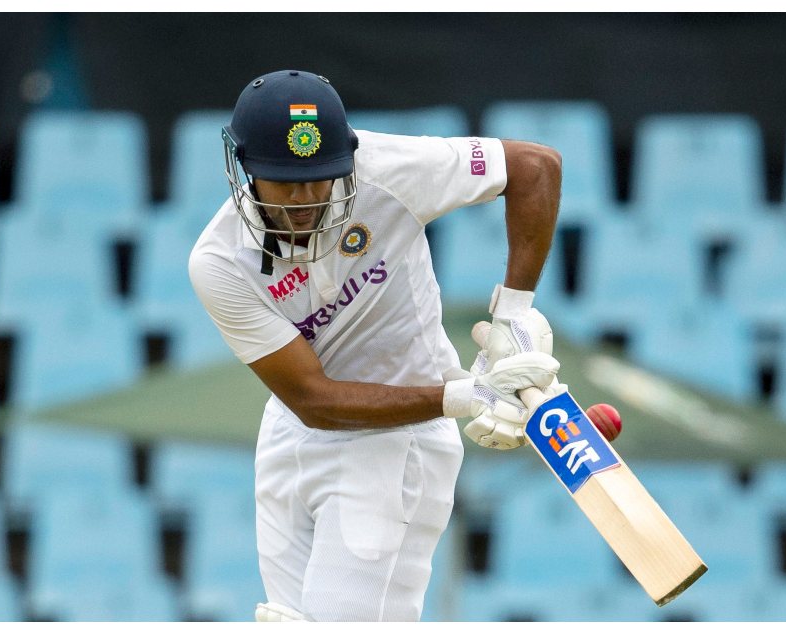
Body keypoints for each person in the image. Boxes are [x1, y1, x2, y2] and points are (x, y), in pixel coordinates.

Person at [188, 69, 563, 622]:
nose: (306, 199)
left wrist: (514, 312)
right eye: (286, 182)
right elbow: (314, 400)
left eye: (321, 178)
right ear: (245, 169)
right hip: (292, 433)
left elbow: (536, 167)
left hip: (399, 443)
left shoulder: (387, 169)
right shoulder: (220, 261)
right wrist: (468, 397)